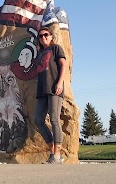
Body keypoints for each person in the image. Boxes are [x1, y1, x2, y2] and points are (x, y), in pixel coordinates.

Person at [34, 27, 67, 164]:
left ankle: (57, 156)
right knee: (38, 120)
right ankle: (52, 150)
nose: (43, 38)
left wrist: (60, 83)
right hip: (41, 90)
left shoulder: (56, 48)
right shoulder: (40, 54)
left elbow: (63, 65)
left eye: (45, 35)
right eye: (40, 36)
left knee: (54, 119)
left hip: (54, 88)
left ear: (51, 36)